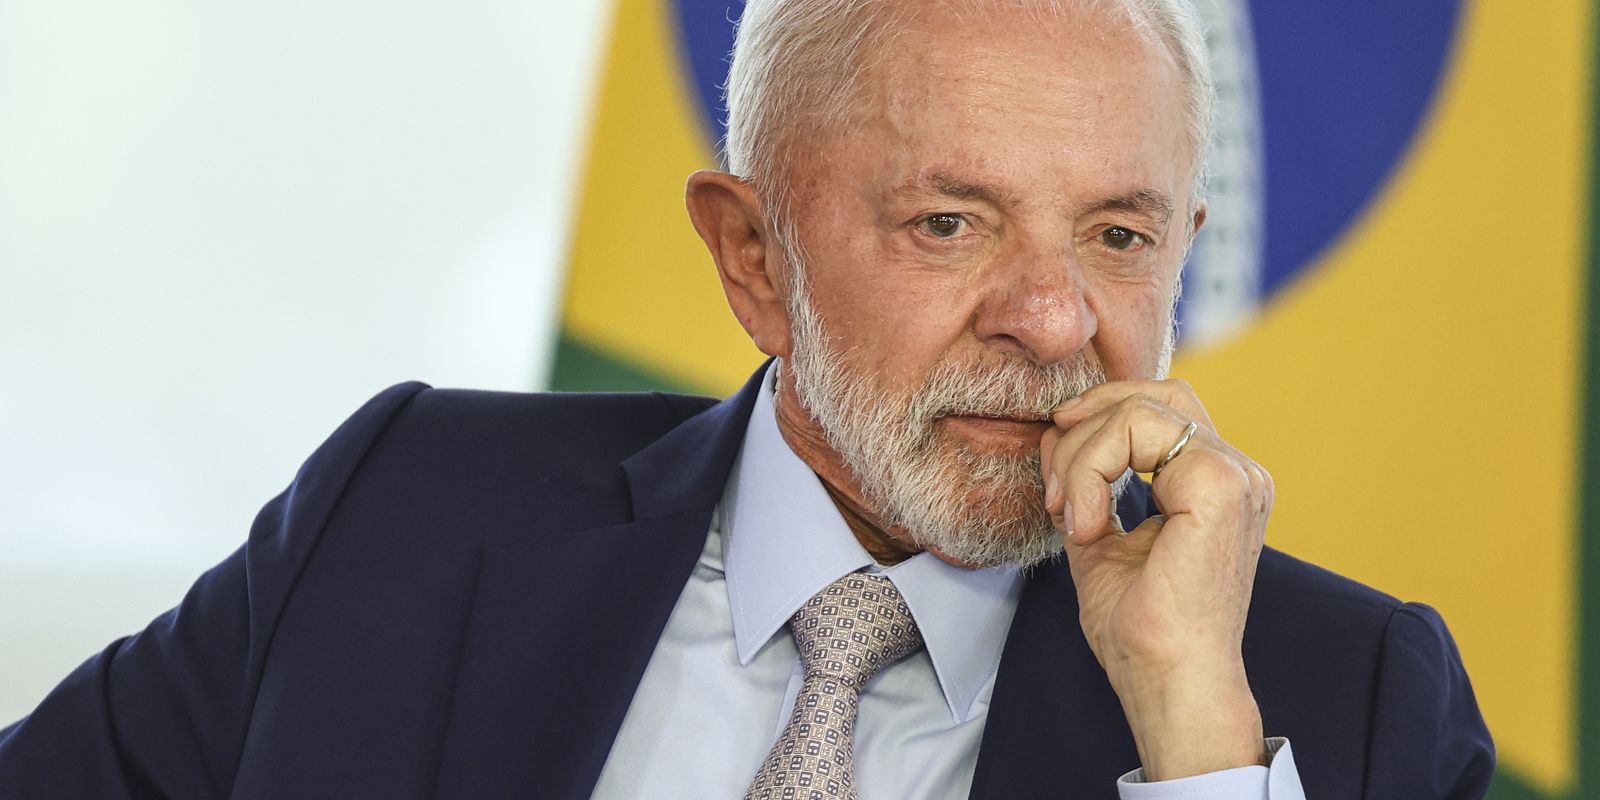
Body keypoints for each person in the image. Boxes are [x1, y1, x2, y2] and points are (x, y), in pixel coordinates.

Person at [0, 0, 1493, 797]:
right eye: (949, 223)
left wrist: (1195, 739)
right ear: (752, 256)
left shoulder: (1336, 704)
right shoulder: (404, 512)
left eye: (1117, 237)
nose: (1053, 321)